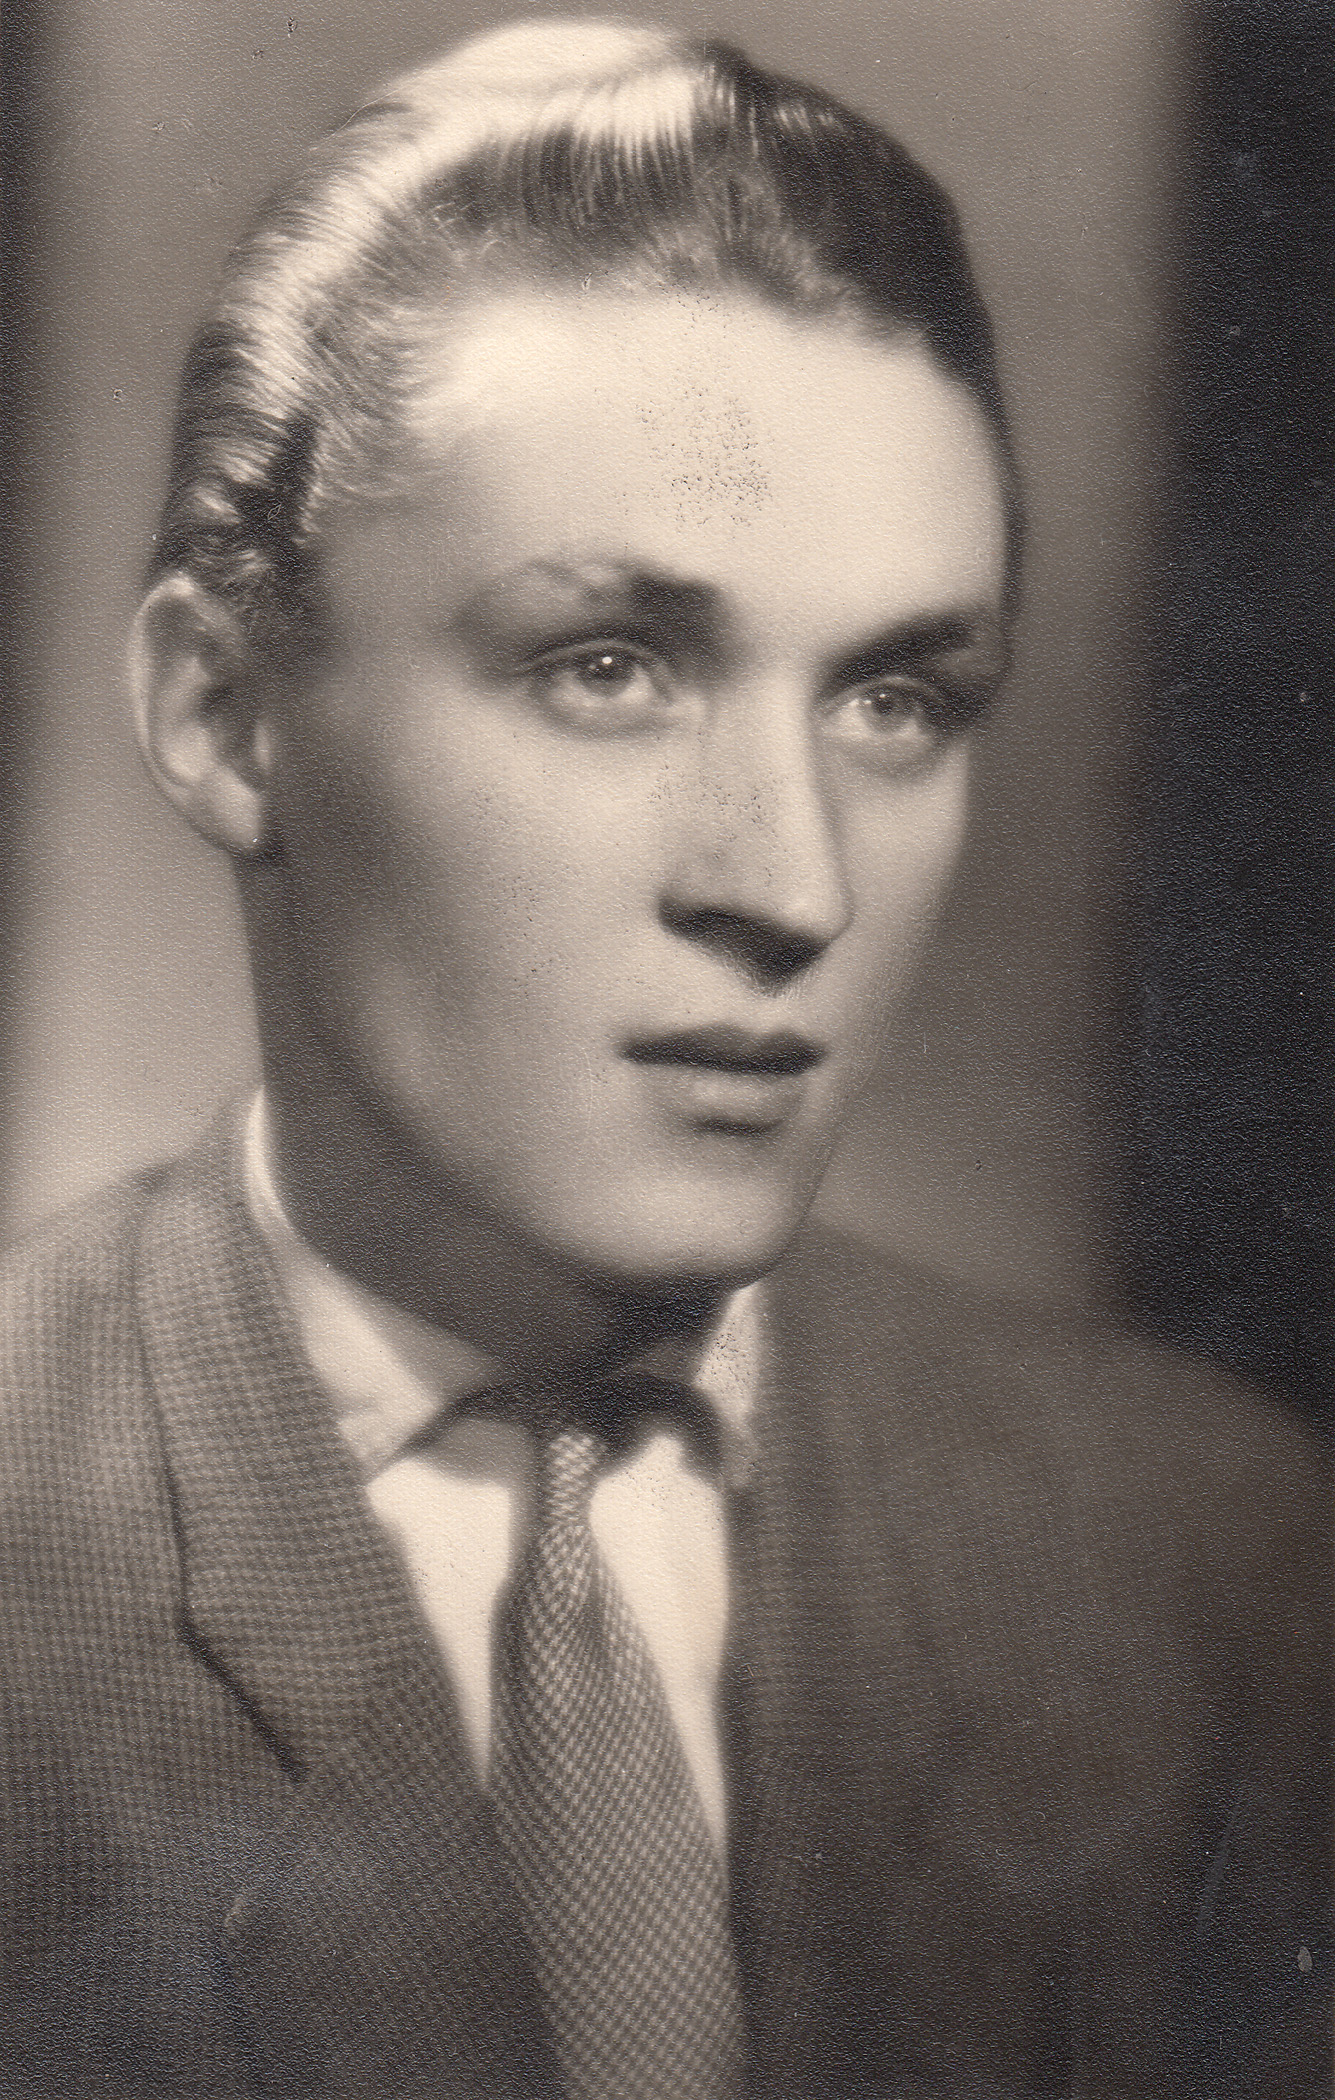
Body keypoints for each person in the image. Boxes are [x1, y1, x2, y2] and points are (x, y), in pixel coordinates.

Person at [0, 18, 1326, 2099]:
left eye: (895, 700)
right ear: (223, 717)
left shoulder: (1210, 1563)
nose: (791, 882)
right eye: (607, 668)